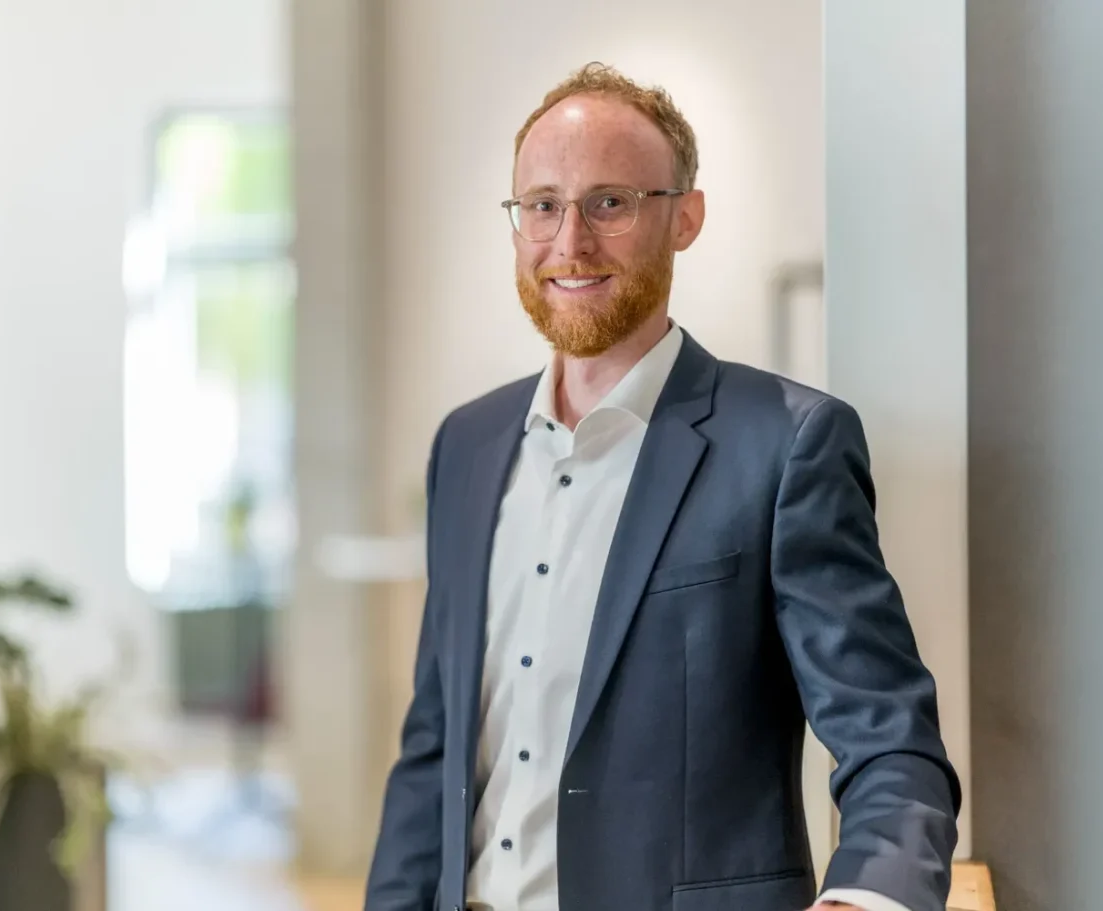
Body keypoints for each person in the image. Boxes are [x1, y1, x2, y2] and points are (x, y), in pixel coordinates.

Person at [365, 62, 961, 911]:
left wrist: (868, 896)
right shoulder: (466, 446)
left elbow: (890, 742)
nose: (569, 242)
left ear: (685, 217)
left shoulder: (787, 445)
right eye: (542, 205)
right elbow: (433, 749)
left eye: (609, 202)